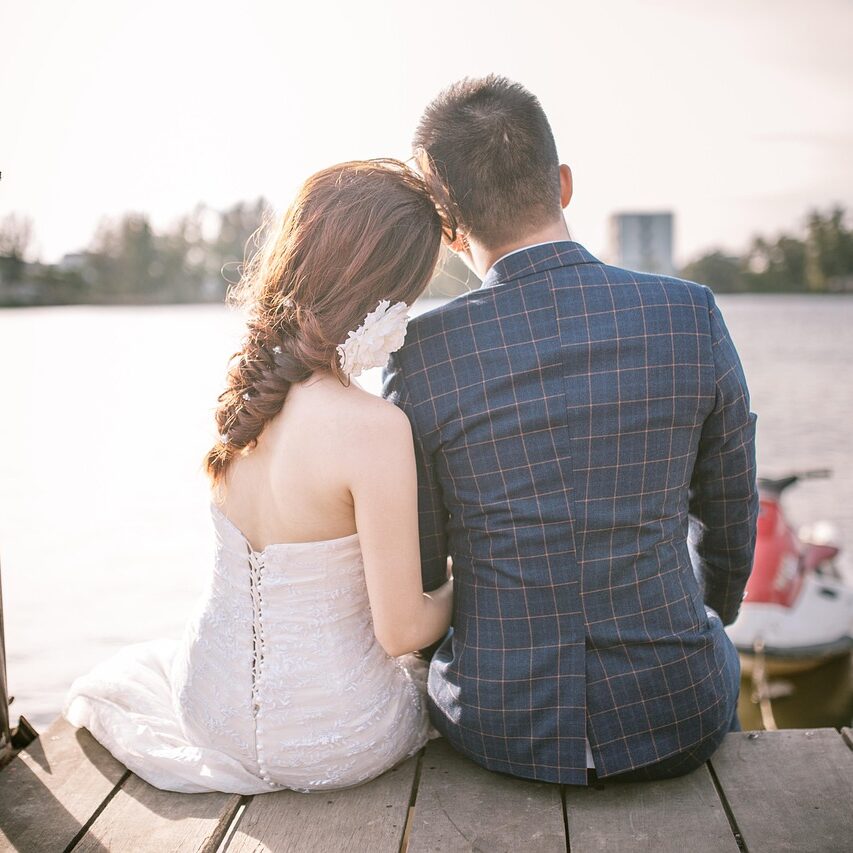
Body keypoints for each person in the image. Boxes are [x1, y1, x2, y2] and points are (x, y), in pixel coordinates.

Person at [383, 75, 758, 784]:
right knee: (714, 661)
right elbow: (731, 516)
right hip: (677, 710)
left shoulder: (421, 355)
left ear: (449, 227)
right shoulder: (689, 315)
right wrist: (702, 617)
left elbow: (425, 565)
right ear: (562, 183)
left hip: (499, 723)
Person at [64, 160, 455, 794]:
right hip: (339, 731)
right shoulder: (375, 427)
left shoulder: (247, 401)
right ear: (386, 296)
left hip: (208, 710)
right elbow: (402, 631)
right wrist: (462, 584)